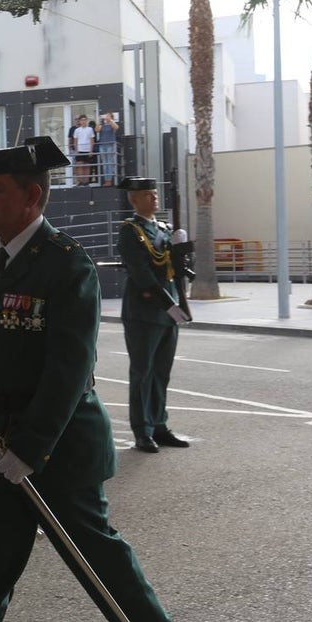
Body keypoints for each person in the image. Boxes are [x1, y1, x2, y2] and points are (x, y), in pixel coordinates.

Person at [0, 137, 170, 622]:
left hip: (56, 448)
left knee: (100, 564)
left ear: (33, 197)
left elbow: (67, 371)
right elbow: (0, 334)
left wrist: (28, 449)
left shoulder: (66, 263)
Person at [116, 177, 190, 454]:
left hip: (169, 312)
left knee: (162, 373)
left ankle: (160, 424)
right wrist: (167, 304)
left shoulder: (165, 229)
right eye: (147, 194)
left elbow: (178, 268)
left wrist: (181, 248)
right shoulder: (130, 231)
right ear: (133, 199)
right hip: (145, 312)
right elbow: (140, 271)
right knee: (143, 373)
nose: (154, 198)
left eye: (154, 194)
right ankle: (143, 430)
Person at [95, 111, 120, 186]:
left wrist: (110, 120)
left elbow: (116, 127)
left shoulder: (112, 124)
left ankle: (109, 180)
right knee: (105, 163)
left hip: (110, 145)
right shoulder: (103, 125)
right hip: (102, 145)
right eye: (106, 116)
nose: (106, 117)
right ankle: (106, 180)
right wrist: (99, 121)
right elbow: (97, 130)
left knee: (109, 163)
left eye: (108, 116)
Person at [69, 114, 95, 185]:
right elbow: (75, 141)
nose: (83, 122)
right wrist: (76, 150)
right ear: (80, 121)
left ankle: (86, 181)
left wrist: (91, 151)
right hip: (80, 150)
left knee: (87, 166)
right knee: (79, 165)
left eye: (84, 120)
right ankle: (80, 181)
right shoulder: (77, 130)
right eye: (82, 120)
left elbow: (92, 140)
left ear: (86, 121)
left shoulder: (90, 129)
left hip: (87, 150)